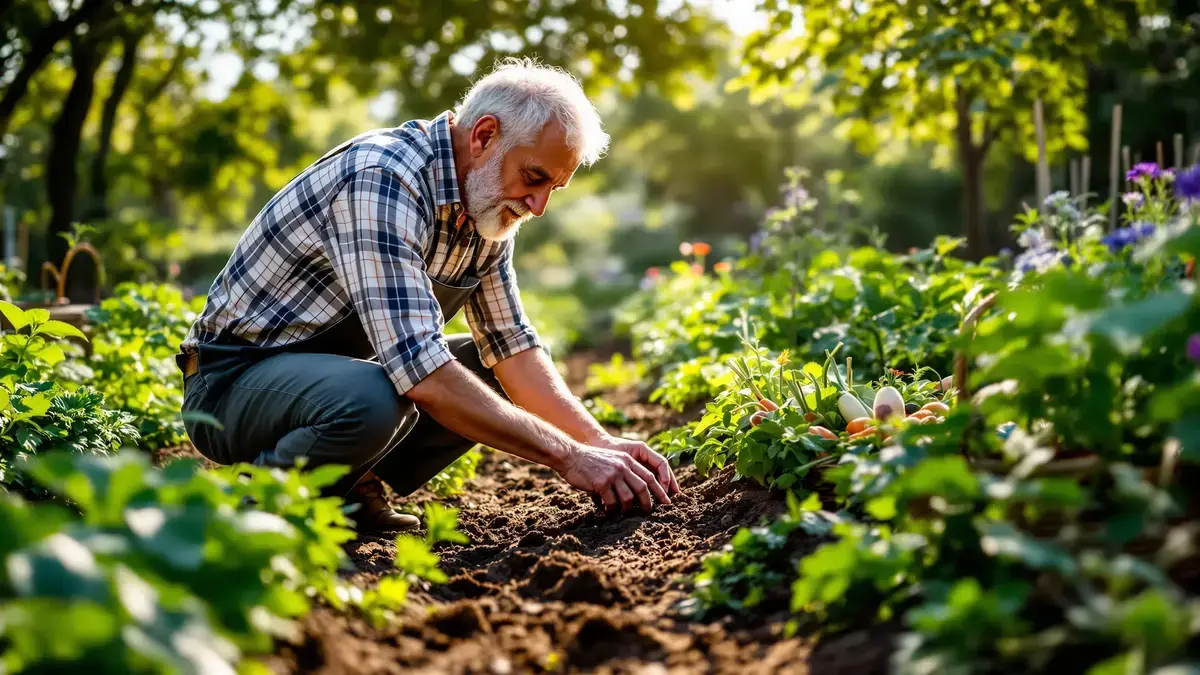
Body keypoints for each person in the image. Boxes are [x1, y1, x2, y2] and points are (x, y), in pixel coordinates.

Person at [176, 58, 680, 531]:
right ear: (485, 135)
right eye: (535, 178)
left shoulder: (486, 206)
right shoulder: (383, 180)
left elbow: (511, 347)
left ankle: (345, 490)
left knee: (484, 368)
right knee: (375, 400)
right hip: (231, 385)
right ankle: (245, 515)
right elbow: (423, 375)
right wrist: (569, 458)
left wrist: (598, 442)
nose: (539, 205)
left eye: (555, 188)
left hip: (325, 378)